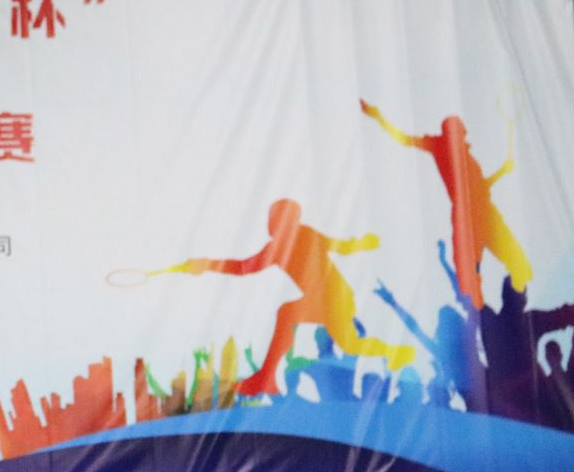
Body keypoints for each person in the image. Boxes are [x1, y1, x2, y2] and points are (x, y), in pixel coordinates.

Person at [158, 197, 413, 395]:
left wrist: (363, 243)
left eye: (276, 218)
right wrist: (206, 265)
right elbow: (244, 267)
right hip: (324, 300)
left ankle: (264, 380)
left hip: (336, 298)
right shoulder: (277, 249)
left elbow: (342, 246)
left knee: (304, 322)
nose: (271, 223)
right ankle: (396, 352)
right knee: (343, 341)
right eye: (271, 218)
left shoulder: (305, 235)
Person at [360, 100, 530, 310]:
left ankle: (512, 313)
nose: (463, 135)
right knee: (470, 279)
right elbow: (404, 139)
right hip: (467, 217)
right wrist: (378, 117)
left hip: (485, 212)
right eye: (459, 131)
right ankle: (483, 318)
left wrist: (502, 171)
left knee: (517, 265)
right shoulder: (439, 146)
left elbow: (479, 187)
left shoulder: (466, 155)